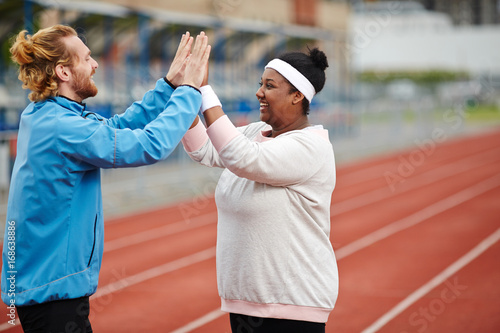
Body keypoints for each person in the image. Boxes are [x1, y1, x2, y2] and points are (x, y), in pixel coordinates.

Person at [1, 24, 210, 332]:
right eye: (86, 58)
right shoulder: (63, 125)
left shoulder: (49, 114)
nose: (95, 63)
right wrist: (190, 92)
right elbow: (146, 146)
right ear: (64, 72)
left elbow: (117, 128)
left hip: (48, 282)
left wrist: (169, 86)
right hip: (53, 288)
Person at [181, 47, 338, 333]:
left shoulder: (311, 146)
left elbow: (241, 157)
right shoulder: (255, 132)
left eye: (270, 85)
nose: (259, 92)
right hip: (245, 303)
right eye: (260, 84)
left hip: (293, 307)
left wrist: (203, 89)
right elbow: (204, 148)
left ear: (297, 95)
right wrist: (184, 92)